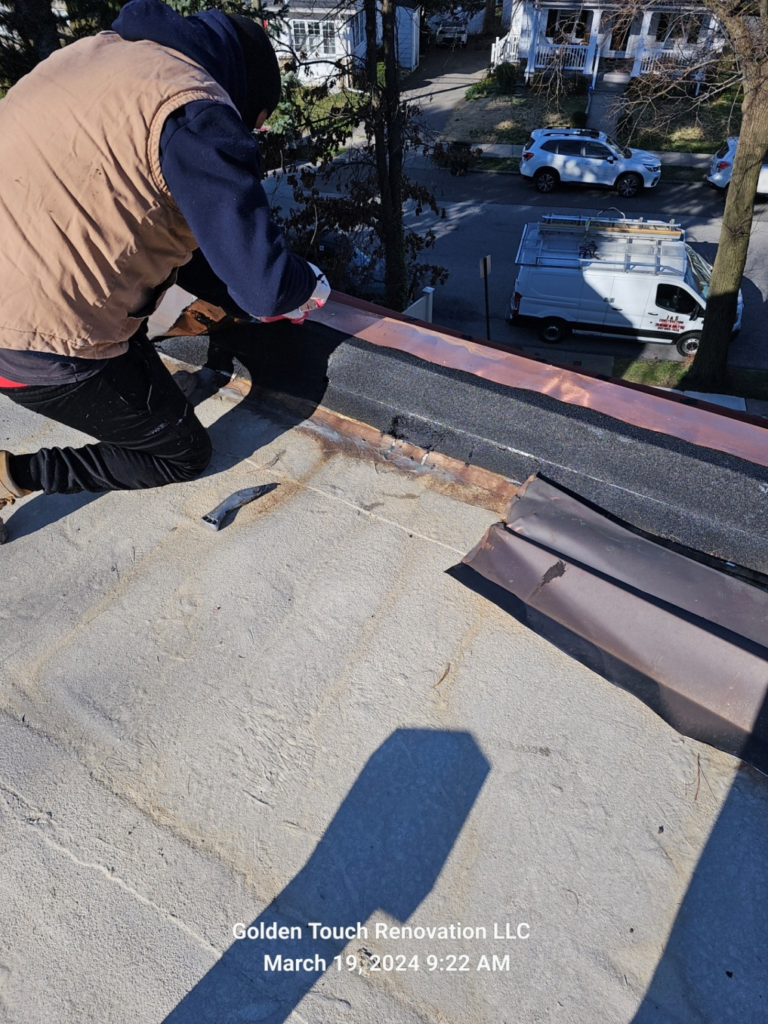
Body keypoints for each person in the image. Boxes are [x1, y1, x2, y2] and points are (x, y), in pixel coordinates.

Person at [0, 0, 329, 541]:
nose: (256, 133)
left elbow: (118, 203)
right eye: (260, 122)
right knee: (180, 452)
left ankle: (137, 387)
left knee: (131, 337)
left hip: (27, 277)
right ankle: (18, 473)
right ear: (247, 98)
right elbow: (265, 289)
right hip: (30, 340)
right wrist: (307, 282)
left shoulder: (100, 54)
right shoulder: (197, 114)